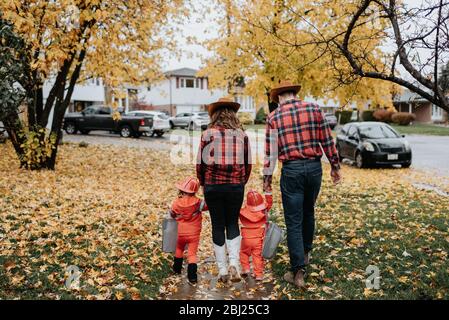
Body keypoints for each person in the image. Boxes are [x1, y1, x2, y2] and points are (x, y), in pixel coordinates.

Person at [263, 80, 342, 288]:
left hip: (292, 171)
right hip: (314, 169)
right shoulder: (314, 109)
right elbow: (327, 140)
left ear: (279, 97)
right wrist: (335, 166)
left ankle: (298, 271)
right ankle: (305, 254)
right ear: (293, 94)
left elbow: (270, 153)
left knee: (293, 220)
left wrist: (267, 179)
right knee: (308, 212)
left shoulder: (273, 117)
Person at [196, 97, 252, 282]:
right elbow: (248, 163)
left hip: (213, 186)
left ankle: (222, 271)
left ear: (215, 114)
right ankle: (234, 263)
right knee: (232, 223)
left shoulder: (207, 134)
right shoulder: (242, 135)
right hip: (235, 185)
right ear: (233, 115)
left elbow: (200, 163)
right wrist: (241, 181)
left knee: (217, 225)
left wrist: (203, 183)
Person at [170, 176, 208, 284]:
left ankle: (176, 269)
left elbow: (172, 214)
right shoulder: (198, 203)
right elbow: (207, 206)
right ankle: (192, 277)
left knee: (179, 249)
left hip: (180, 232)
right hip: (193, 234)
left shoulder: (176, 202)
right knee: (192, 254)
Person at [239, 190, 270, 281]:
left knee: (243, 253)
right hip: (258, 240)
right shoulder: (264, 212)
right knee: (257, 256)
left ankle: (246, 269)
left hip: (246, 239)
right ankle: (259, 275)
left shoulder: (242, 213)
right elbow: (269, 203)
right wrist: (268, 192)